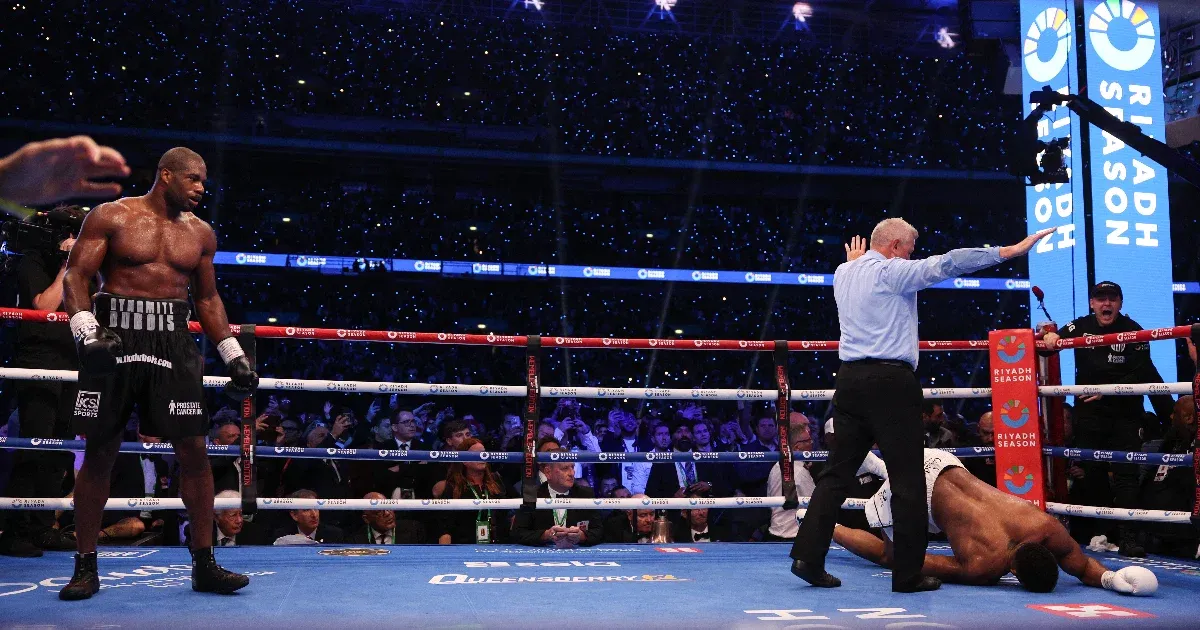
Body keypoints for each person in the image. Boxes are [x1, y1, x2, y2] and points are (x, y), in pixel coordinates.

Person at [790, 218, 1053, 593]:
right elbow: (949, 262)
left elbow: (862, 269)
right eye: (910, 248)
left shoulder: (844, 271)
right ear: (895, 246)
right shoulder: (893, 272)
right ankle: (907, 574)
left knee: (835, 475)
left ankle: (808, 557)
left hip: (849, 381)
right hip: (890, 383)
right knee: (908, 480)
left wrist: (857, 262)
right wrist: (1007, 252)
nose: (912, 255)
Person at [59, 147, 257, 600]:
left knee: (194, 451)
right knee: (101, 451)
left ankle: (204, 564)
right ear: (165, 175)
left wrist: (232, 353)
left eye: (204, 181)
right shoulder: (112, 216)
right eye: (193, 179)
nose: (202, 188)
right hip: (114, 337)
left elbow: (206, 300)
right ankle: (85, 566)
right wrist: (87, 332)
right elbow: (76, 276)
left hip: (172, 342)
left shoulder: (201, 233)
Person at [830, 449, 1158, 596]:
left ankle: (877, 464)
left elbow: (1082, 564)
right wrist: (1110, 580)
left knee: (936, 493)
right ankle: (828, 525)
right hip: (912, 495)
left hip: (940, 460)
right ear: (1014, 573)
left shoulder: (1044, 526)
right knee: (894, 558)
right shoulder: (985, 566)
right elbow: (916, 563)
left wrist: (1113, 579)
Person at [1041, 281, 1177, 558]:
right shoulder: (1078, 326)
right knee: (1092, 475)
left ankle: (1127, 537)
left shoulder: (1133, 330)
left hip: (1125, 415)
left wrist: (1105, 393)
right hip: (1089, 417)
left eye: (1111, 299)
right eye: (1100, 299)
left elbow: (1142, 373)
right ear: (1092, 303)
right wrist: (1049, 338)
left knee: (1126, 475)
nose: (1106, 304)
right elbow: (1047, 348)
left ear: (1120, 303)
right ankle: (1103, 532)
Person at [0, 206, 87, 557]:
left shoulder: (85, 266)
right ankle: (15, 529)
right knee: (36, 443)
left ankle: (41, 527)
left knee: (61, 448)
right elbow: (45, 307)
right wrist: (68, 268)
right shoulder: (32, 261)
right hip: (38, 360)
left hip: (71, 360)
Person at [511, 450, 604, 547]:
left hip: (577, 554)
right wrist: (546, 535)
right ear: (548, 472)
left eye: (572, 467)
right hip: (542, 555)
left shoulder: (585, 494)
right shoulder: (532, 495)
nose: (572, 473)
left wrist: (582, 536)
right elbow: (518, 533)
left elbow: (599, 531)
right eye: (565, 468)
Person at [432, 438, 509, 544]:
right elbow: (445, 528)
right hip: (464, 546)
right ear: (464, 461)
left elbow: (511, 512)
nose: (482, 457)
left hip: (498, 544)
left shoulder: (496, 481)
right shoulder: (454, 487)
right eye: (477, 454)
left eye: (483, 453)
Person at [348, 492, 425, 545]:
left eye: (388, 507)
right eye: (379, 512)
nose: (387, 513)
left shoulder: (414, 530)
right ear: (366, 519)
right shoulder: (355, 540)